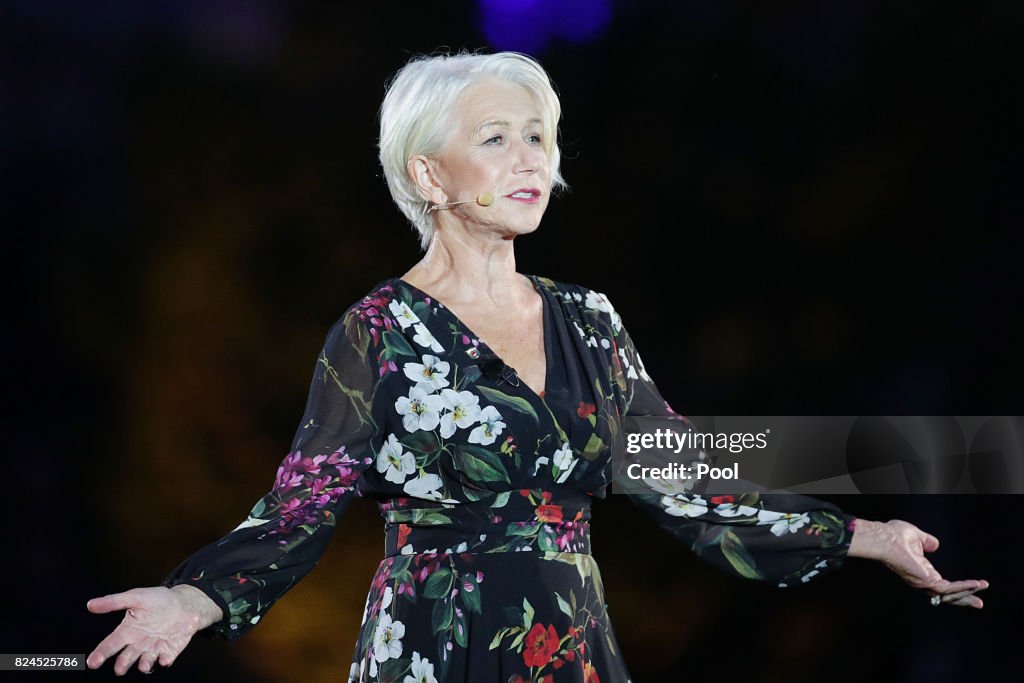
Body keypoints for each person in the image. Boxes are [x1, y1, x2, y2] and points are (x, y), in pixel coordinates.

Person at [86, 51, 988, 681]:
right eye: (497, 139)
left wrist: (871, 537)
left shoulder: (588, 320)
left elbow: (685, 478)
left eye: (538, 136)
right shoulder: (378, 332)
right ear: (428, 174)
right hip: (434, 641)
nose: (530, 159)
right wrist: (195, 598)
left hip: (568, 641)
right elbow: (302, 505)